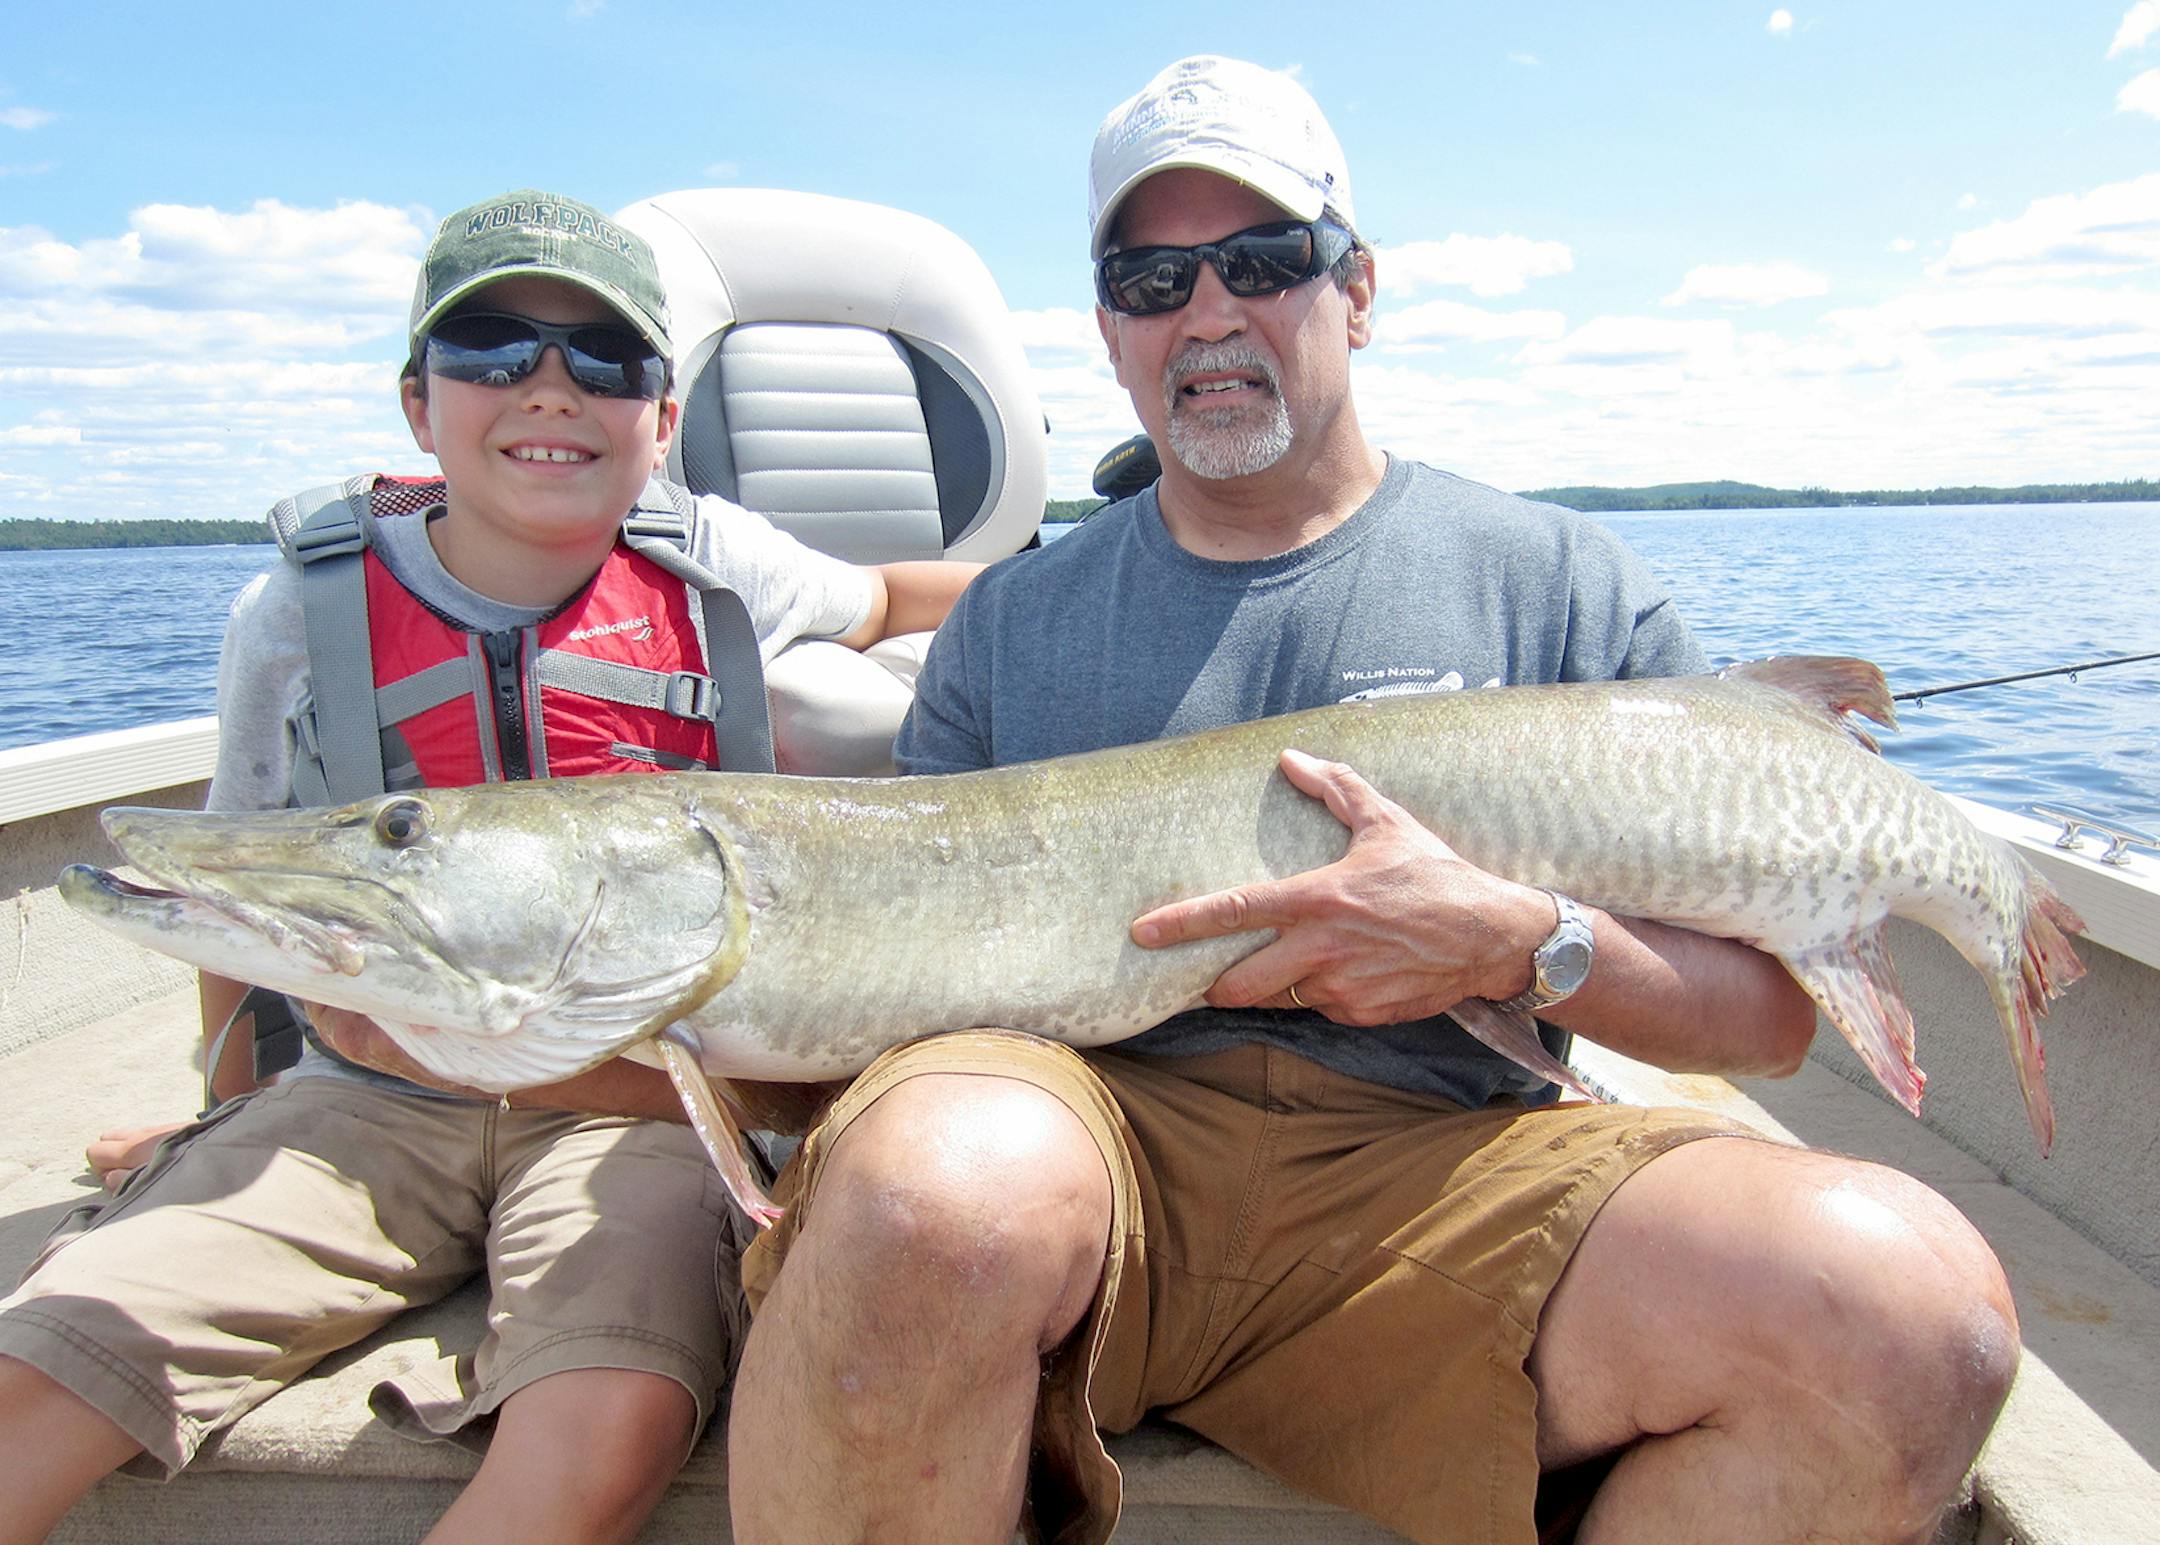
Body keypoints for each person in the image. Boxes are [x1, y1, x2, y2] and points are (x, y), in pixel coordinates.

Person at [723, 58, 2020, 1545]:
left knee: (1917, 1322)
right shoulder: (1008, 625)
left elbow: (1768, 1025)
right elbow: (888, 984)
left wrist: (1525, 945)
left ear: (1359, 287)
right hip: (1084, 1150)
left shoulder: (1558, 583)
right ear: (1108, 330)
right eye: (1152, 278)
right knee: (925, 1193)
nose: (1207, 312)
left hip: (1446, 1172)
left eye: (1262, 261)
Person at [0, 188, 977, 1545]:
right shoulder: (295, 608)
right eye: (495, 349)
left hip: (632, 1104)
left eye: (608, 360)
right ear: (419, 403)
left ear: (663, 418)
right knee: (40, 1367)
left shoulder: (723, 565)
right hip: (366, 1089)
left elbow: (896, 600)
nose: (550, 390)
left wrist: (1088, 603)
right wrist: (222, 1110)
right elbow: (244, 909)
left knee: (609, 1419)